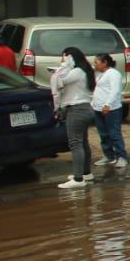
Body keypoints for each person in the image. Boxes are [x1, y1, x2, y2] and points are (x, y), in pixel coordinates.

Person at [51, 47, 96, 190]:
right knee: (83, 142)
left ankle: (78, 179)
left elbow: (60, 81)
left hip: (77, 110)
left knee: (75, 144)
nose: (62, 60)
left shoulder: (76, 72)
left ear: (71, 57)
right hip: (85, 109)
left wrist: (62, 67)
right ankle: (86, 173)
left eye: (64, 57)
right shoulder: (84, 70)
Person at [91, 53, 128, 170]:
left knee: (114, 133)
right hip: (98, 108)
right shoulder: (101, 74)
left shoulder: (113, 74)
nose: (95, 65)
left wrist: (108, 104)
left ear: (105, 62)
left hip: (111, 109)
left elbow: (115, 90)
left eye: (96, 62)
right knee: (103, 134)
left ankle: (121, 157)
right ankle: (108, 155)